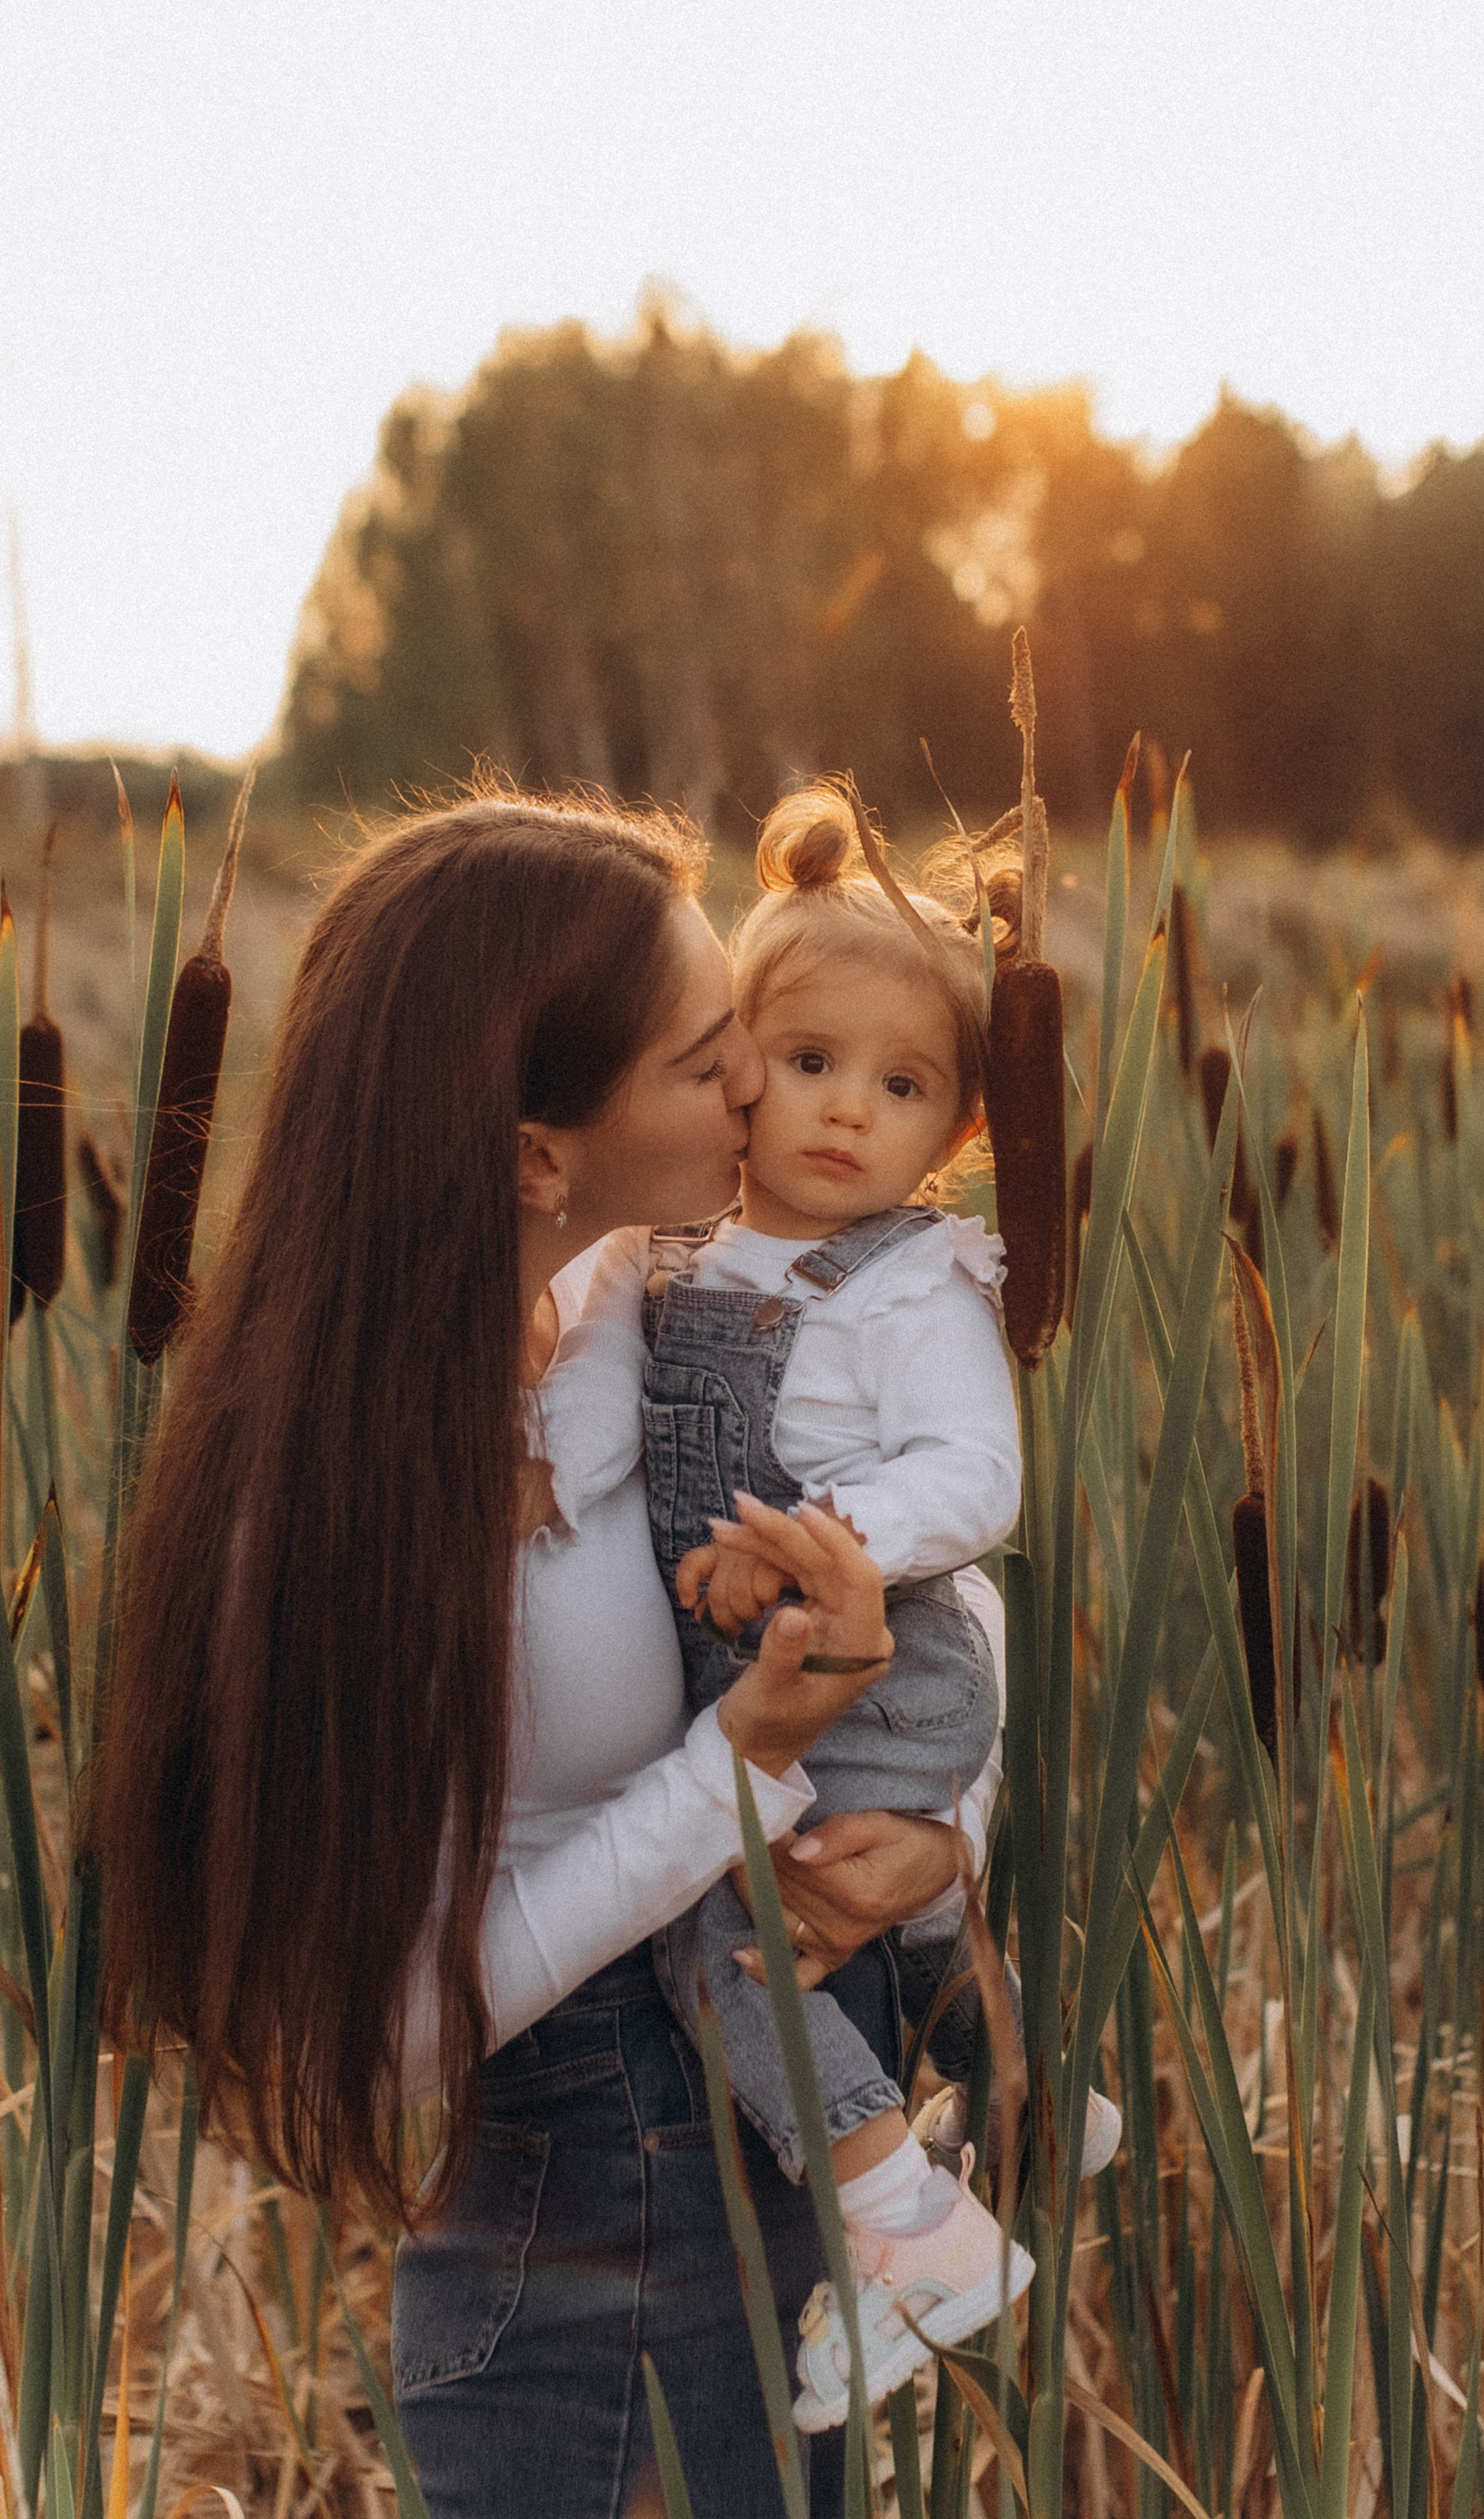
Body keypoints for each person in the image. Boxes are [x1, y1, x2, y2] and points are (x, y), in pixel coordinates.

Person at [91, 790, 1001, 2519]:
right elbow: (378, 2048)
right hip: (587, 2225)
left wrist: (943, 1830)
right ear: (531, 1148)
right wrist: (729, 1772)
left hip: (763, 2177)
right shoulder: (312, 1510)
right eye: (705, 1055)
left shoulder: (633, 1317)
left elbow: (942, 1605)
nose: (764, 1083)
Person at [592, 788, 1116, 2426]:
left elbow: (977, 1486)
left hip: (885, 1670)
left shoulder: (912, 1281)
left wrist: (819, 1542)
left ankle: (902, 2228)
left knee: (735, 1947)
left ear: (958, 1131)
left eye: (900, 1088)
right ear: (733, 1061)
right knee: (889, 1899)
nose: (842, 1114)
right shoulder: (670, 1255)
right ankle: (1033, 2098)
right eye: (808, 1062)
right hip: (785, 1674)